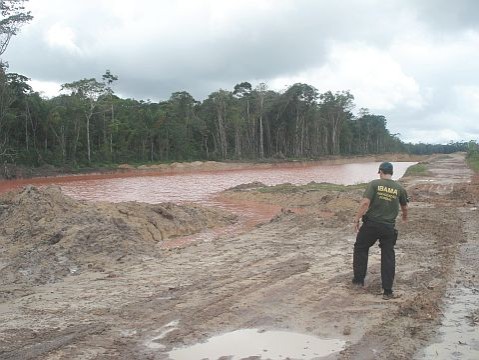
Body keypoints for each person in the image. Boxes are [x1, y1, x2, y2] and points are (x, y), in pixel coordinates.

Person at [352, 161, 408, 300]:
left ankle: (359, 281)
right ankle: (387, 291)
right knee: (388, 255)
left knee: (360, 247)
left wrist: (357, 218)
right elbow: (405, 207)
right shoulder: (399, 188)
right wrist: (405, 218)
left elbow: (365, 203)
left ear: (380, 172)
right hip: (388, 227)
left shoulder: (374, 184)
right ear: (391, 173)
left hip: (371, 225)